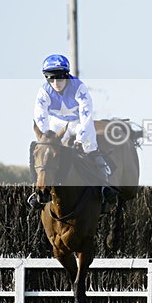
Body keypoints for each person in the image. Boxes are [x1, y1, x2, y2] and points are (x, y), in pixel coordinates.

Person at [29, 54, 118, 212]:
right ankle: (35, 192)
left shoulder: (79, 87)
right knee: (40, 149)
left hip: (78, 123)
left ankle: (104, 186)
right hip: (56, 123)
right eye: (51, 79)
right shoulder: (43, 91)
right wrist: (45, 137)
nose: (56, 84)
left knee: (90, 146)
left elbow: (86, 116)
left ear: (67, 76)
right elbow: (40, 115)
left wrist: (80, 139)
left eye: (59, 79)